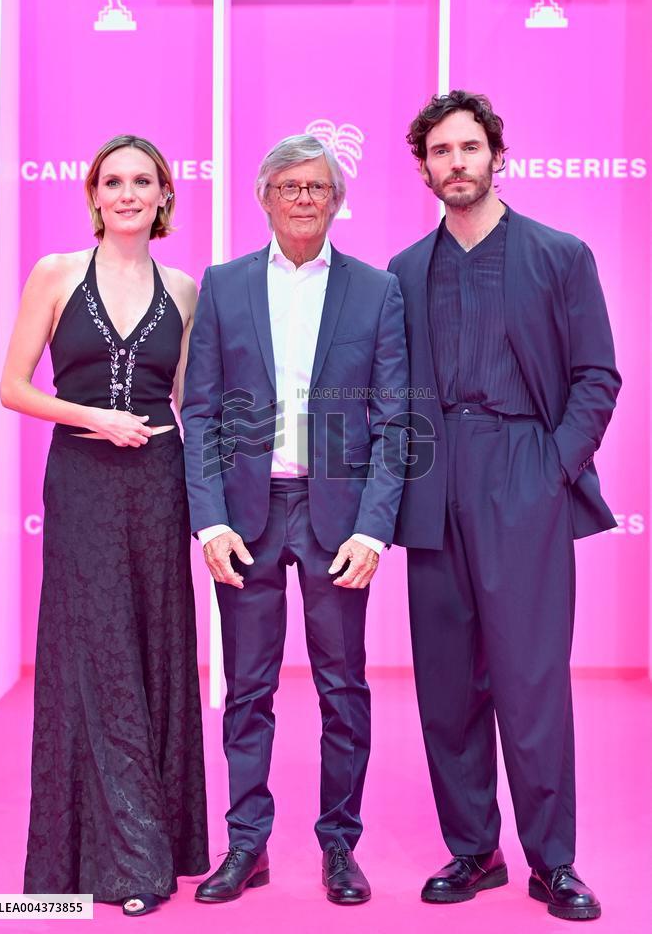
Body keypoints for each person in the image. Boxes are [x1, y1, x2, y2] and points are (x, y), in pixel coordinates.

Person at [388, 91, 620, 922]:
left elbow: (598, 376)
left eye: (469, 148)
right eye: (441, 152)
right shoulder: (404, 271)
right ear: (424, 168)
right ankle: (472, 850)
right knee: (448, 685)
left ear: (496, 156)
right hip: (431, 480)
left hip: (523, 470)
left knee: (529, 682)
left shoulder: (560, 255)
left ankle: (552, 862)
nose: (456, 163)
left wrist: (552, 469)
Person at [182, 134, 408, 906]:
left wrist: (374, 528)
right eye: (290, 186)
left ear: (337, 199)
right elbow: (202, 410)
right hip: (244, 520)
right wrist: (209, 522)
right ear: (265, 197)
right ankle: (247, 844)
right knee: (247, 691)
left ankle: (339, 846)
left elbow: (393, 418)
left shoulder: (377, 292)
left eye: (318, 187)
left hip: (338, 521)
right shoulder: (225, 285)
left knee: (344, 688)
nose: (305, 198)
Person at [1, 135, 209, 917]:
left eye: (143, 181)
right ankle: (130, 860)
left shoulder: (184, 290)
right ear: (93, 194)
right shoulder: (54, 274)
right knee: (97, 656)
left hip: (159, 488)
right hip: (83, 481)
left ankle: (160, 838)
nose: (127, 193)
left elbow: (192, 400)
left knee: (155, 651)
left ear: (163, 197)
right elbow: (13, 388)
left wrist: (223, 500)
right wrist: (90, 415)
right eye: (113, 181)